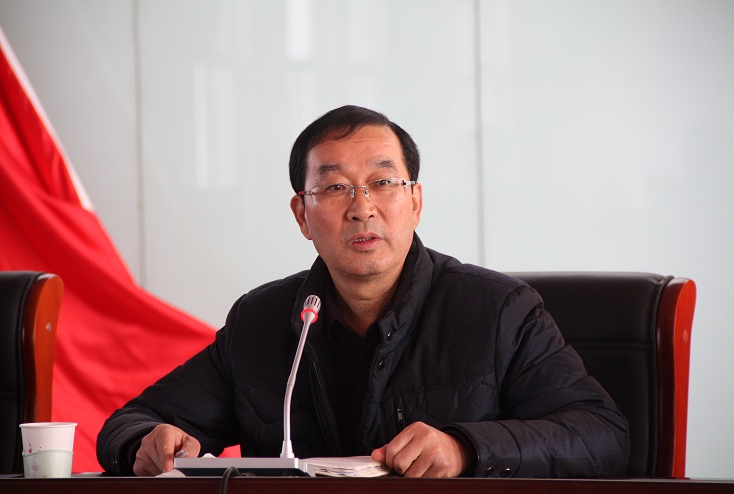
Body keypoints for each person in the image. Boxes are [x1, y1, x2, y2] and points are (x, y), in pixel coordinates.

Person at [97, 105, 629, 478]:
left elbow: (601, 434)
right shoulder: (262, 321)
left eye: (382, 182)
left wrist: (465, 448)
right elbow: (129, 424)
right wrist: (145, 444)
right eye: (334, 187)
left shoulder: (497, 312)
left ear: (415, 202)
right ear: (302, 215)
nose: (362, 207)